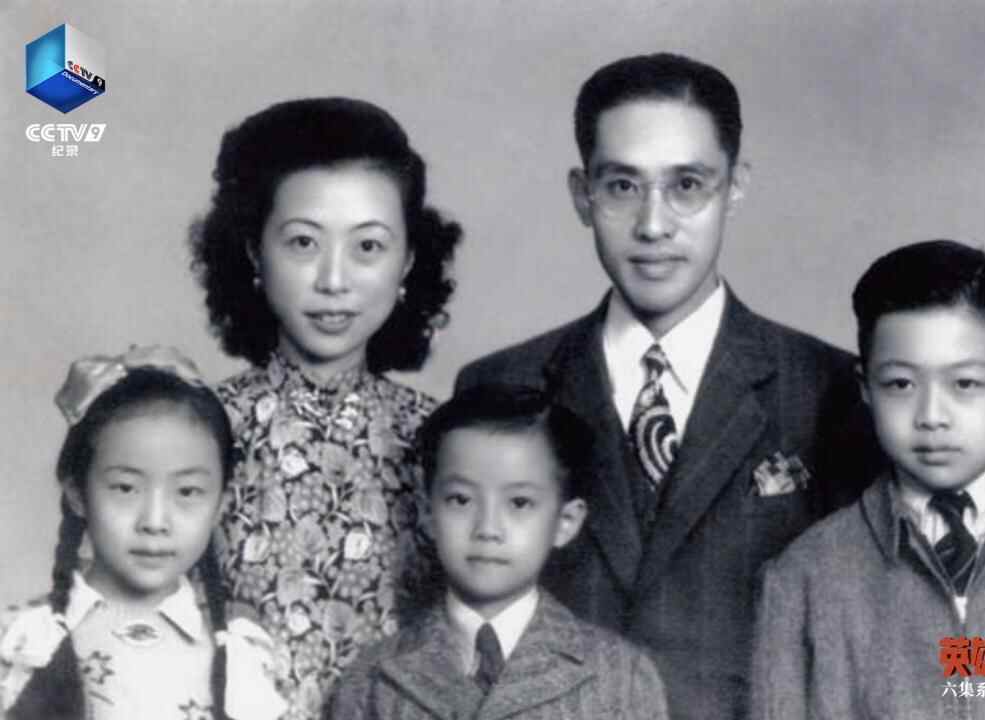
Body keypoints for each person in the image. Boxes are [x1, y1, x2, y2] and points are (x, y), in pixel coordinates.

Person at [455, 53, 880, 719]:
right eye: (622, 186)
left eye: (687, 185)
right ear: (582, 194)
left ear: (735, 186)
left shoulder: (828, 390)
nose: (653, 225)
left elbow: (869, 635)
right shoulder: (501, 385)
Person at [188, 97, 462, 719]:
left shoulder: (444, 442)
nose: (333, 280)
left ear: (408, 260)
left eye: (368, 246)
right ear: (254, 252)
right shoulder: (197, 431)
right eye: (303, 242)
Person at [751, 240, 985, 719]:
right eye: (901, 384)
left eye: (965, 384)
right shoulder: (802, 580)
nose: (931, 416)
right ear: (866, 388)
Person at [330, 384, 669, 719]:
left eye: (519, 503)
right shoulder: (371, 680)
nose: (488, 528)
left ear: (565, 522)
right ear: (428, 512)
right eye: (460, 500)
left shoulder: (622, 677)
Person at [0, 346, 284, 720]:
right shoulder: (20, 640)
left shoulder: (240, 657)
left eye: (187, 492)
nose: (154, 521)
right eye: (125, 488)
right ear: (77, 494)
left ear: (220, 504)